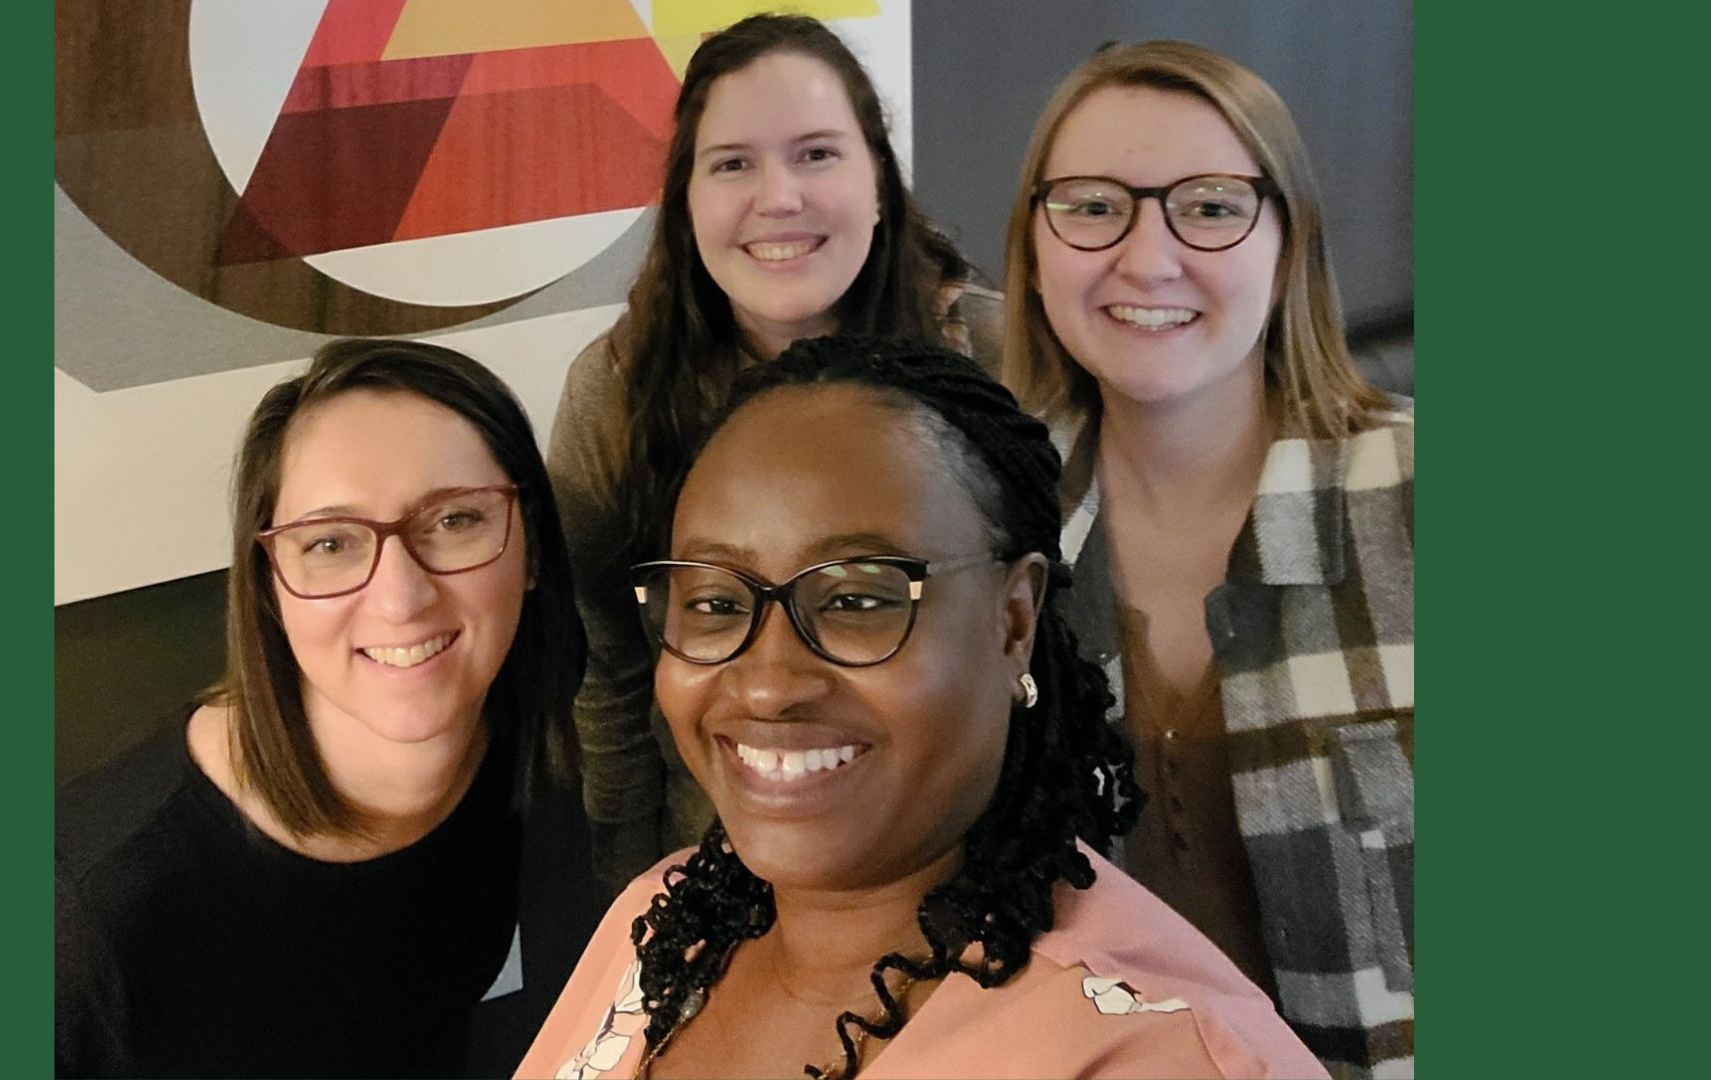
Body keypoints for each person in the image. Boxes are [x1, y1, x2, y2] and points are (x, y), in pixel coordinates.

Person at [519, 336, 1323, 1079]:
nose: (766, 684)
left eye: (858, 600)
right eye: (717, 603)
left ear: (1015, 620)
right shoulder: (664, 924)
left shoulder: (1158, 1055)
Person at [1000, 41, 1414, 1077]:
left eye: (1214, 205)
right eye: (1093, 206)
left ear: (1290, 242)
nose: (1147, 259)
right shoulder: (986, 531)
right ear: (1034, 246)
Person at [548, 12, 1005, 900]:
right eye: (732, 164)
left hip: (968, 862)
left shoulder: (991, 357)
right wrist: (639, 892)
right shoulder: (614, 393)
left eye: (817, 154)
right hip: (730, 872)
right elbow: (610, 666)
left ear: (880, 179)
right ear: (687, 199)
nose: (779, 197)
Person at [55, 339, 586, 1077]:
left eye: (455, 520)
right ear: (270, 585)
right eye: (331, 542)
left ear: (530, 546)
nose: (401, 599)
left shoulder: (522, 753)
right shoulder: (90, 918)